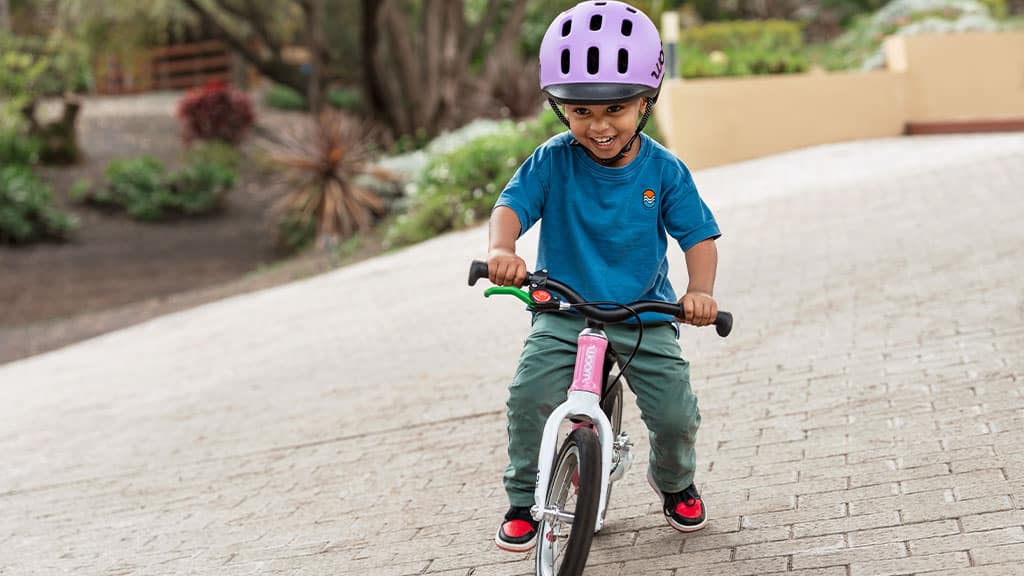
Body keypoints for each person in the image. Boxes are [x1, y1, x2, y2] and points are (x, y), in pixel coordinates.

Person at [486, 0, 722, 553]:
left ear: (646, 102)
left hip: (644, 312)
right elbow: (511, 207)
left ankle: (675, 481)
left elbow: (698, 236)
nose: (598, 126)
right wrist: (502, 248)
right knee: (529, 396)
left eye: (615, 108)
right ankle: (523, 499)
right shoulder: (552, 161)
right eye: (580, 111)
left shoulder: (664, 170)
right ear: (559, 108)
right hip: (563, 309)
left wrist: (700, 291)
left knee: (674, 411)